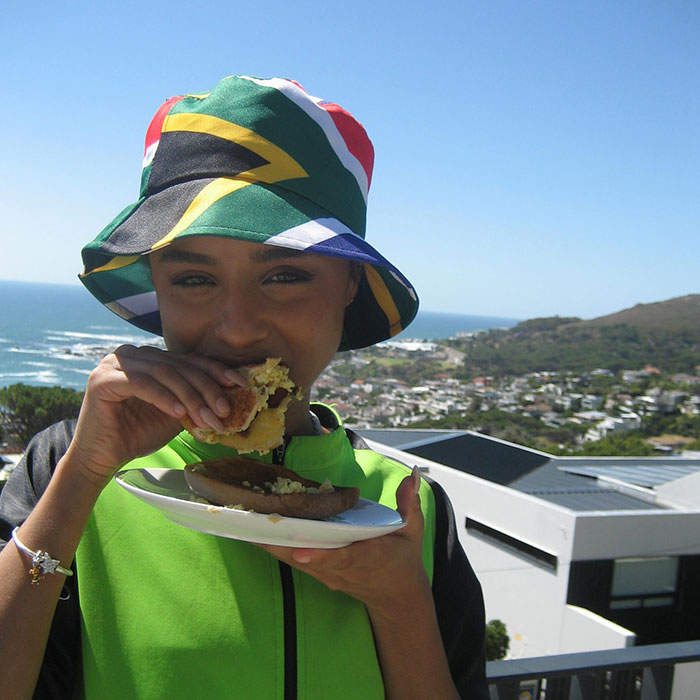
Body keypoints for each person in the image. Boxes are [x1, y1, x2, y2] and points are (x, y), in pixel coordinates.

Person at [0, 75, 488, 699]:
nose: (235, 330)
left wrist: (401, 605)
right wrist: (80, 482)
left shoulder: (404, 508)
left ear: (350, 288)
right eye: (195, 280)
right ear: (158, 287)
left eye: (285, 275)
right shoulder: (70, 466)